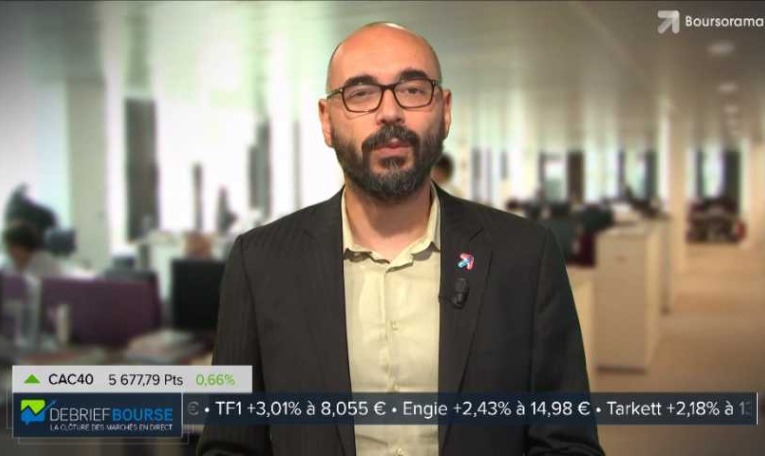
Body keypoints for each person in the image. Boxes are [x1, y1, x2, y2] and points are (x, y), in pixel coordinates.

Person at [199, 22, 603, 456]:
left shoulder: (526, 255)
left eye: (412, 90)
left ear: (444, 110)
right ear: (326, 121)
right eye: (360, 93)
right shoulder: (260, 262)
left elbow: (567, 443)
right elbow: (229, 444)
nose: (389, 112)